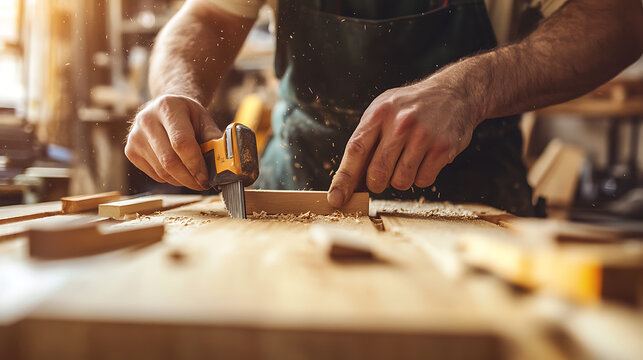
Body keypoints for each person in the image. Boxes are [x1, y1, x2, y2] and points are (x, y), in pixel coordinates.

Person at [124, 0, 643, 216]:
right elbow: (209, 16)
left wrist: (471, 88)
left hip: (473, 196)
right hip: (299, 188)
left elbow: (619, 17)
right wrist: (178, 92)